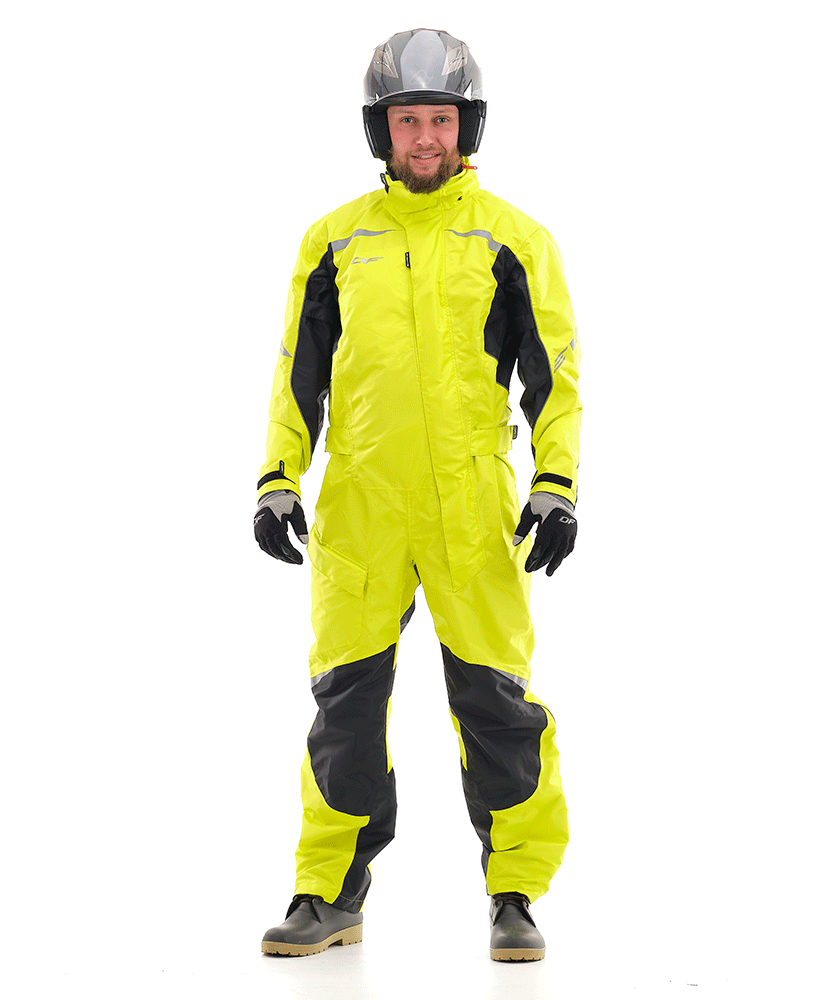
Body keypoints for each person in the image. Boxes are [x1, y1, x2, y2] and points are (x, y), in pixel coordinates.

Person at [255, 28, 580, 962]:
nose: (425, 138)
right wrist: (278, 476)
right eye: (408, 121)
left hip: (472, 505)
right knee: (345, 705)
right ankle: (328, 891)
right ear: (381, 130)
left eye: (440, 119)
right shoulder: (334, 241)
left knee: (497, 702)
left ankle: (515, 893)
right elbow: (297, 374)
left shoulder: (515, 239)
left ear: (466, 125)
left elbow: (554, 377)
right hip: (360, 503)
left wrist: (556, 484)